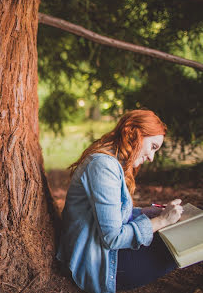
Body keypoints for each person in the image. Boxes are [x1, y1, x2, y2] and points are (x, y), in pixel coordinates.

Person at [56, 109, 184, 293]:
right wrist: (162, 221)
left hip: (104, 253)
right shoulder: (103, 166)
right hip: (98, 263)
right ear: (136, 134)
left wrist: (150, 213)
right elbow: (113, 237)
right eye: (153, 147)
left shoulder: (111, 162)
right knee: (188, 239)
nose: (151, 157)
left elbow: (115, 215)